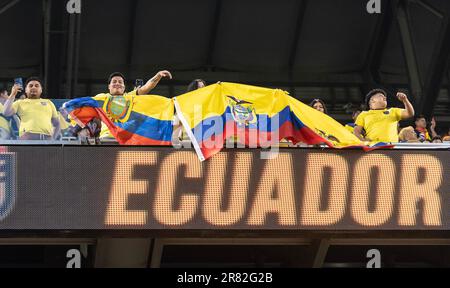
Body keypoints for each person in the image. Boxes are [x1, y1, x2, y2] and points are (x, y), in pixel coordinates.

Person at [96, 70, 172, 140]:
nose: (117, 83)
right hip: (107, 139)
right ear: (109, 86)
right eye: (114, 81)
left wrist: (158, 75)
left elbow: (146, 87)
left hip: (127, 140)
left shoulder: (130, 97)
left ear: (124, 87)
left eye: (120, 82)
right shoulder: (101, 97)